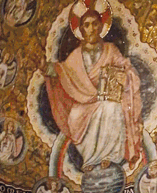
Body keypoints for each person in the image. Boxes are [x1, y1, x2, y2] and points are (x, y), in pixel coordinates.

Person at [44, 9, 143, 172]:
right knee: (75, 116)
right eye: (87, 25)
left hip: (107, 99)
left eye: (94, 24)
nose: (91, 29)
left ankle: (108, 156)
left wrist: (124, 76)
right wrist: (45, 68)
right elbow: (62, 73)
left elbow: (126, 67)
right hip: (83, 103)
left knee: (112, 107)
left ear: (100, 27)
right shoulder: (75, 56)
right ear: (82, 30)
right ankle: (89, 158)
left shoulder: (111, 50)